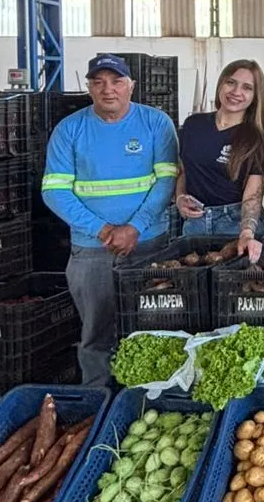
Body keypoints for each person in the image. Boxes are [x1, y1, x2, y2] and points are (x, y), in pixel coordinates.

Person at [41, 53, 177, 386]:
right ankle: (98, 404)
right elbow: (54, 190)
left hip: (149, 247)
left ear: (131, 85)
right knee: (96, 334)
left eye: (116, 81)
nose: (108, 89)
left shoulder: (156, 123)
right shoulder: (70, 130)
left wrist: (135, 228)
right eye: (98, 82)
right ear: (88, 87)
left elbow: (167, 182)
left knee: (153, 329)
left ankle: (149, 398)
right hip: (91, 250)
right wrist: (103, 230)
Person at [175, 60, 264, 262]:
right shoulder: (193, 125)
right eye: (231, 82)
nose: (236, 92)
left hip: (235, 222)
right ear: (221, 83)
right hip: (195, 222)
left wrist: (247, 233)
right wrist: (180, 198)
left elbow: (254, 194)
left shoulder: (260, 137)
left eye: (247, 88)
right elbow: (185, 171)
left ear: (256, 96)